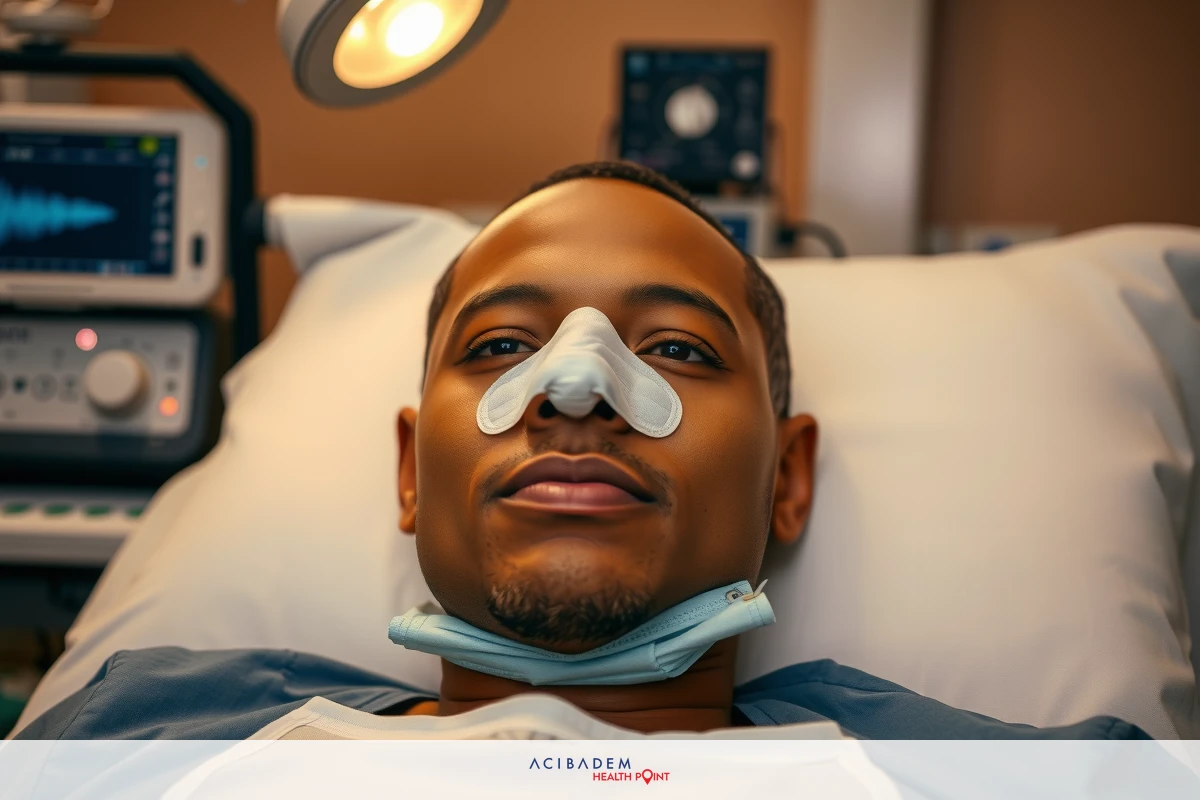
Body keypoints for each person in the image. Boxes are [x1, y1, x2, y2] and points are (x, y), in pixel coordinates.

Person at [15, 162, 1147, 741]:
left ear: (787, 479)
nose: (576, 388)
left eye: (677, 348)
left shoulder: (1014, 782)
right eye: (505, 341)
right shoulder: (135, 735)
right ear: (410, 471)